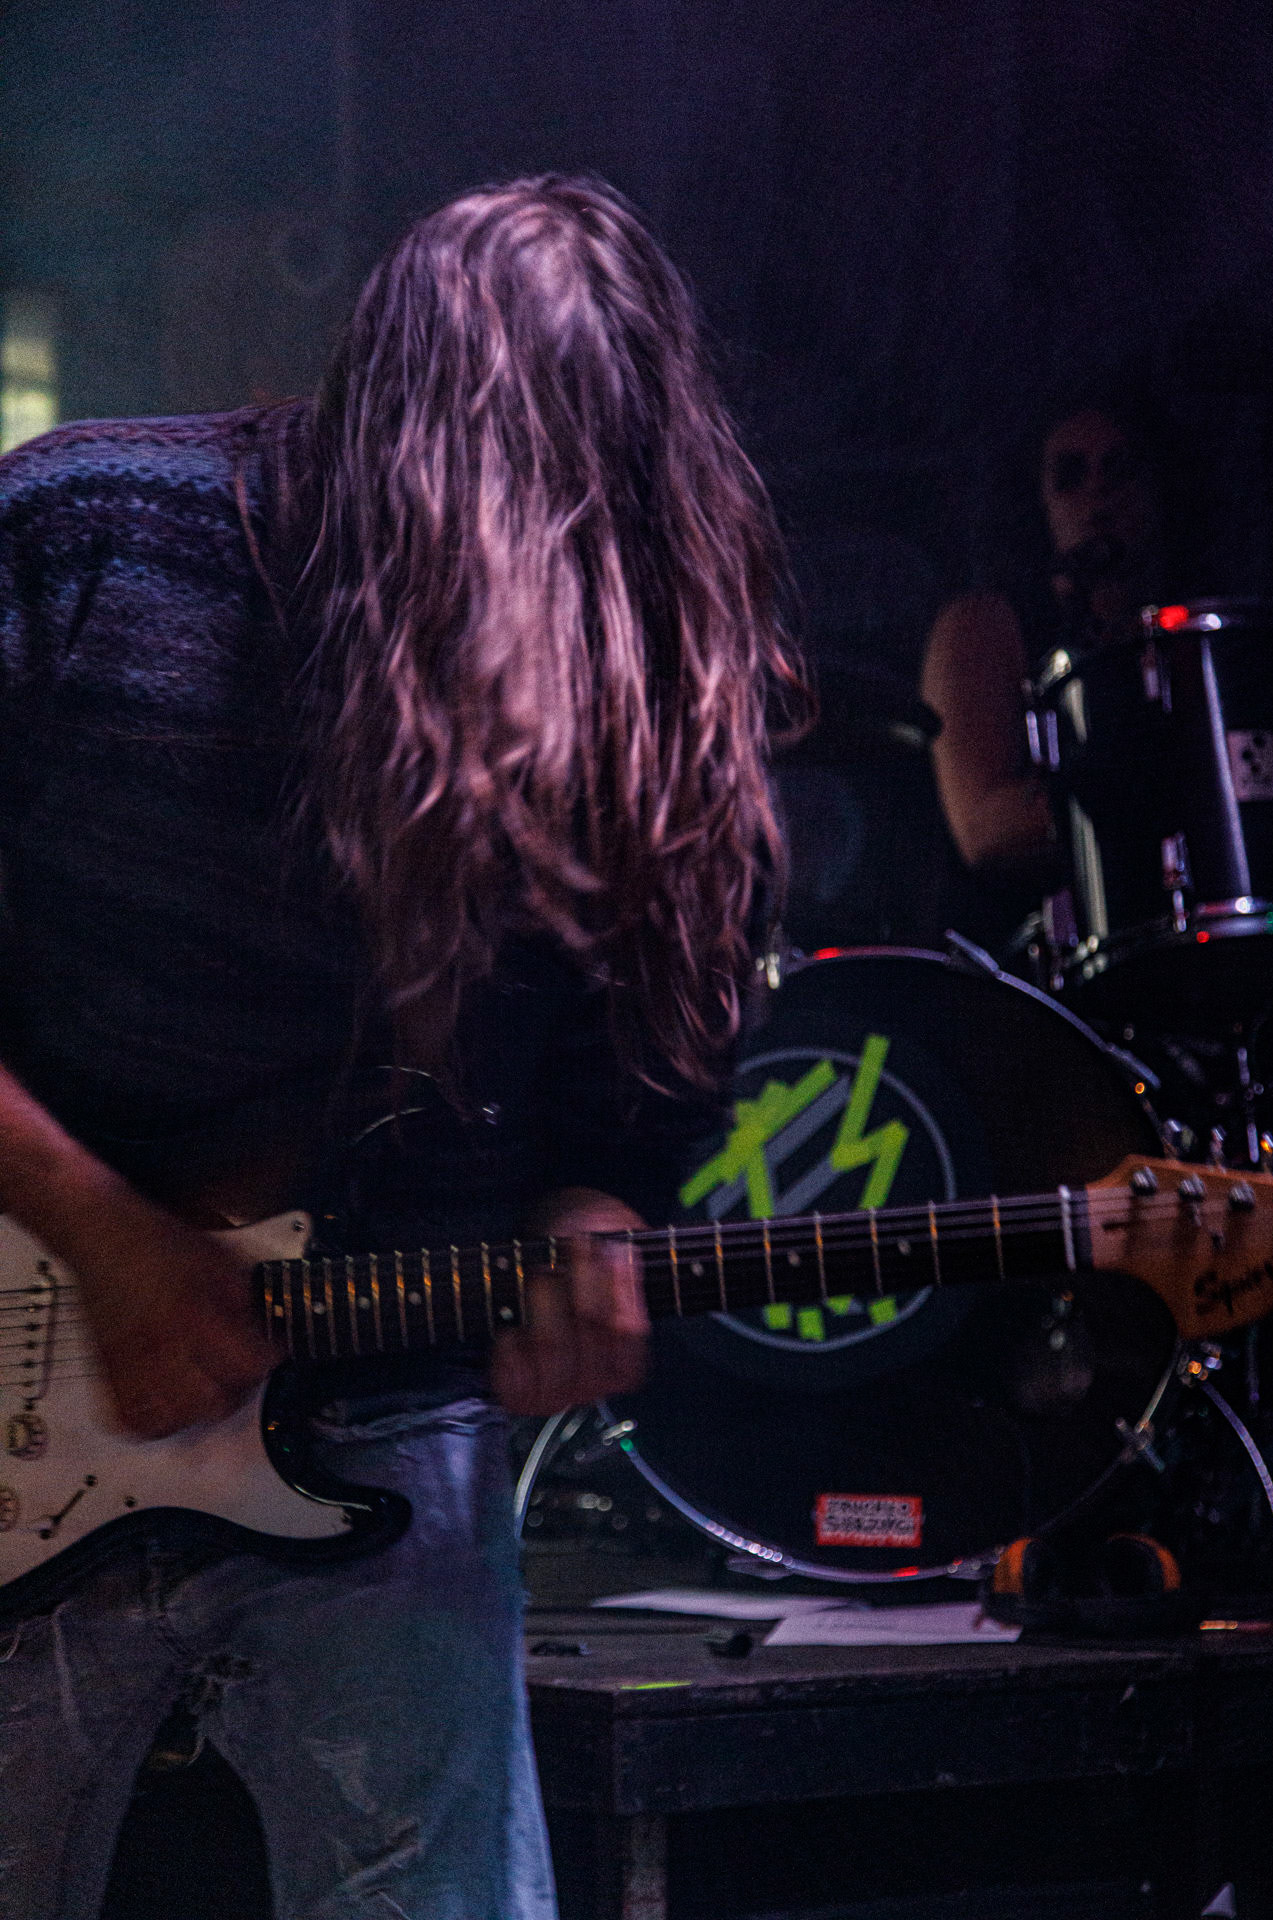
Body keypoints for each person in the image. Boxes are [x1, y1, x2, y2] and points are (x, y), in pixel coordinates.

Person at [0, 175, 803, 1919]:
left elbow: (656, 1026)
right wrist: (103, 1233)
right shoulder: (84, 542)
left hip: (380, 1410)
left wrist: (599, 1196)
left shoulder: (632, 663)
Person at [920, 399, 1169, 886]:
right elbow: (984, 831)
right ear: (1035, 503)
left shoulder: (1200, 619)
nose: (1098, 490)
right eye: (1070, 475)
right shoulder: (985, 624)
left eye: (1120, 468)